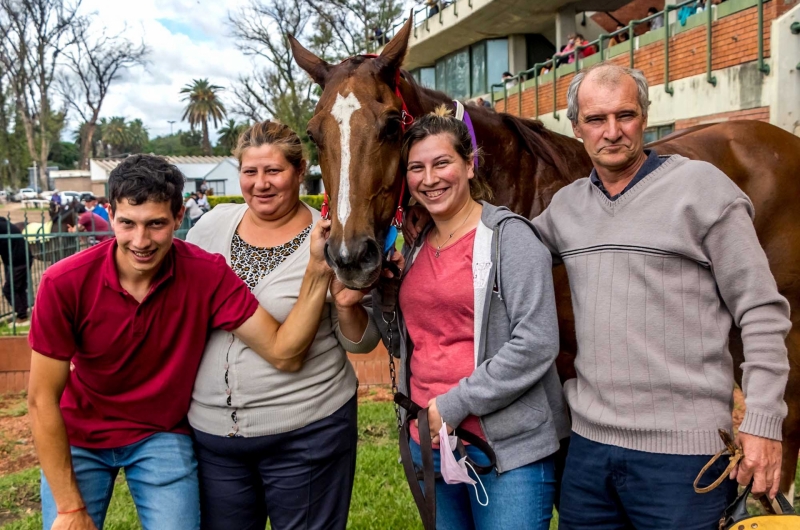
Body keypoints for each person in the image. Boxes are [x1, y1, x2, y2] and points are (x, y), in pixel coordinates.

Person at [532, 63, 790, 527]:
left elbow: (762, 310)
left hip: (683, 459)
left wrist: (763, 422)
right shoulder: (566, 208)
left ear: (644, 118)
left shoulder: (702, 190)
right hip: (589, 455)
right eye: (596, 119)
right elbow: (499, 260)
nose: (612, 132)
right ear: (576, 128)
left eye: (625, 115)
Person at [26, 154, 335, 530]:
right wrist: (70, 508)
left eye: (156, 224)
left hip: (160, 434)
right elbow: (42, 398)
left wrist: (318, 269)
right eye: (127, 223)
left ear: (178, 217)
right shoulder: (65, 283)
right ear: (110, 214)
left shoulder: (206, 274)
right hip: (80, 436)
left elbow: (283, 352)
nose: (140, 241)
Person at [375, 107, 569, 529]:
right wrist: (380, 294)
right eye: (417, 168)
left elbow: (535, 342)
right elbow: (409, 341)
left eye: (442, 163)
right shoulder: (414, 247)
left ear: (469, 163)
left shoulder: (509, 237)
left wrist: (453, 404)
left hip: (505, 449)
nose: (430, 179)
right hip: (429, 441)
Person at [187, 120, 381, 530]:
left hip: (306, 430)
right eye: (250, 172)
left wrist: (347, 307)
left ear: (300, 171)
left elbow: (361, 343)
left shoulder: (328, 239)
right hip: (215, 438)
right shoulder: (210, 228)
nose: (261, 184)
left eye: (273, 171)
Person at [0, 217, 29, 323]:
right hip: (22, 258)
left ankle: (22, 315)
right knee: (19, 288)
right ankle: (24, 314)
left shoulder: (2, 226)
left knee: (9, 290)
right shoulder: (5, 225)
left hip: (18, 261)